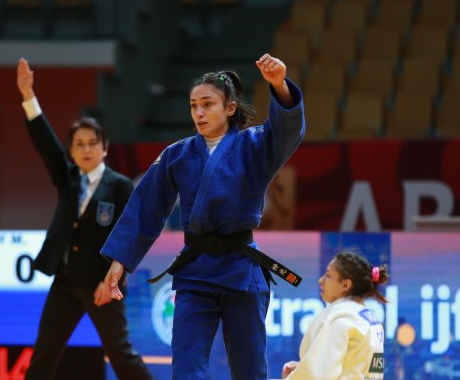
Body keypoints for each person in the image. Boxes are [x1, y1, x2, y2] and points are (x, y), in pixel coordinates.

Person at [101, 53, 306, 379]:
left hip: (241, 272)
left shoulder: (255, 145)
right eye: (193, 105)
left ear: (230, 108)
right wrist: (119, 261)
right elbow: (146, 207)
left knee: (250, 370)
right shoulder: (177, 154)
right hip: (195, 273)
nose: (198, 112)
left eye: (207, 104)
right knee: (186, 369)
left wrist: (279, 85)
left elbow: (287, 132)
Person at [16, 58, 152, 380]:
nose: (86, 149)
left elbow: (132, 235)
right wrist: (27, 95)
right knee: (44, 355)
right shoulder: (68, 178)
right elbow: (45, 144)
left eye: (93, 143)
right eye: (79, 144)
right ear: (72, 151)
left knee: (121, 356)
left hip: (102, 284)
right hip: (64, 281)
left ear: (105, 148)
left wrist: (113, 280)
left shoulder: (119, 185)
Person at [280, 251, 388, 380]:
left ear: (345, 285)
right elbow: (355, 367)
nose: (321, 281)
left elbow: (315, 374)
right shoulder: (368, 317)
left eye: (328, 275)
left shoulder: (342, 318)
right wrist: (301, 367)